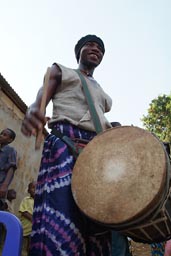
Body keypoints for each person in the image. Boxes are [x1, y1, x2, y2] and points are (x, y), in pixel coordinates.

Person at [21, 35, 113, 255]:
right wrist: (35, 107)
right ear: (78, 51)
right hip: (66, 144)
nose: (95, 49)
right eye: (89, 45)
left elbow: (100, 117)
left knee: (98, 221)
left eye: (100, 48)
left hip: (96, 150)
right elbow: (43, 93)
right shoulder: (62, 71)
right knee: (62, 212)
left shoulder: (103, 94)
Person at [0, 128, 17, 210]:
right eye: (1, 133)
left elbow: (11, 168)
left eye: (4, 135)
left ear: (10, 140)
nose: (1, 136)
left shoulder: (11, 150)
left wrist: (4, 185)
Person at [19, 181, 36, 256]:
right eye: (33, 187)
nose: (35, 189)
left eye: (37, 187)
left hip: (34, 230)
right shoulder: (26, 199)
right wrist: (34, 220)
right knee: (21, 248)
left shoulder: (40, 202)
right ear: (28, 190)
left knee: (30, 248)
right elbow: (24, 212)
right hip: (25, 230)